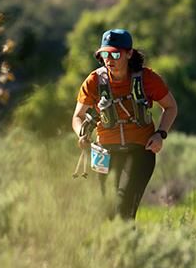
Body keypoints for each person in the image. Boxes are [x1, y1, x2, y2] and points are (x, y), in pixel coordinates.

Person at [71, 29, 178, 220]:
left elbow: (170, 107)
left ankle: (130, 247)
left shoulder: (147, 78)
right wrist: (82, 133)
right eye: (105, 54)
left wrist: (160, 134)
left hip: (140, 151)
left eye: (115, 54)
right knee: (108, 212)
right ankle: (119, 248)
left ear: (129, 54)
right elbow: (77, 116)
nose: (109, 59)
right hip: (105, 153)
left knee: (125, 211)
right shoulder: (94, 81)